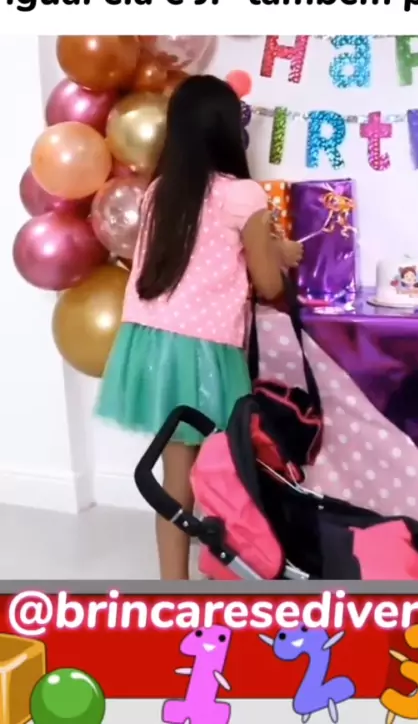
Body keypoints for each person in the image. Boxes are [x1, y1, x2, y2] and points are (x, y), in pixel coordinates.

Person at [96, 74, 303, 580]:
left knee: (177, 474)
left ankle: (173, 586)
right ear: (230, 130)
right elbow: (267, 283)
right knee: (221, 469)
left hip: (149, 341)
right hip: (203, 349)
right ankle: (220, 573)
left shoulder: (160, 191)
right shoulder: (242, 194)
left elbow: (198, 249)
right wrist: (282, 259)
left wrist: (270, 246)